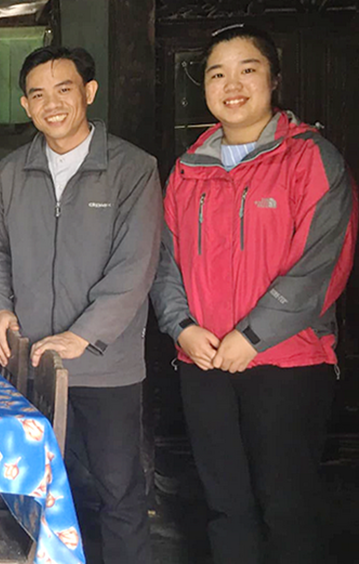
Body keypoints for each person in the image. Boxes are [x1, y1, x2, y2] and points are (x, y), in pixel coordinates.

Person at [150, 24, 356, 564]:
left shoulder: (310, 159)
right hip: (204, 360)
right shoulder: (188, 170)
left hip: (287, 363)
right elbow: (164, 262)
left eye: (248, 70)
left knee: (287, 506)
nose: (232, 84)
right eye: (218, 73)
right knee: (224, 506)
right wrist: (182, 327)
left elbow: (320, 267)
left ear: (274, 80)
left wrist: (253, 336)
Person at [0, 45, 161, 564]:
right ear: (25, 105)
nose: (52, 104)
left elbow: (136, 265)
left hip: (106, 365)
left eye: (64, 89)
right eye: (38, 94)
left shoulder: (132, 169)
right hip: (32, 362)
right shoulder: (12, 173)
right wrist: (0, 307)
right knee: (49, 492)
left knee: (119, 492)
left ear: (89, 93)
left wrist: (82, 335)